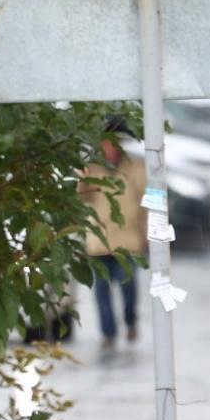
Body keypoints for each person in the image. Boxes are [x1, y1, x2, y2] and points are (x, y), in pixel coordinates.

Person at [80, 135, 148, 349]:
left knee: (128, 284)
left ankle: (130, 321)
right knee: (101, 291)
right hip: (99, 241)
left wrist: (148, 232)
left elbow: (147, 201)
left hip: (128, 240)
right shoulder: (93, 169)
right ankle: (108, 333)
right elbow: (82, 200)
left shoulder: (135, 167)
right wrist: (83, 179)